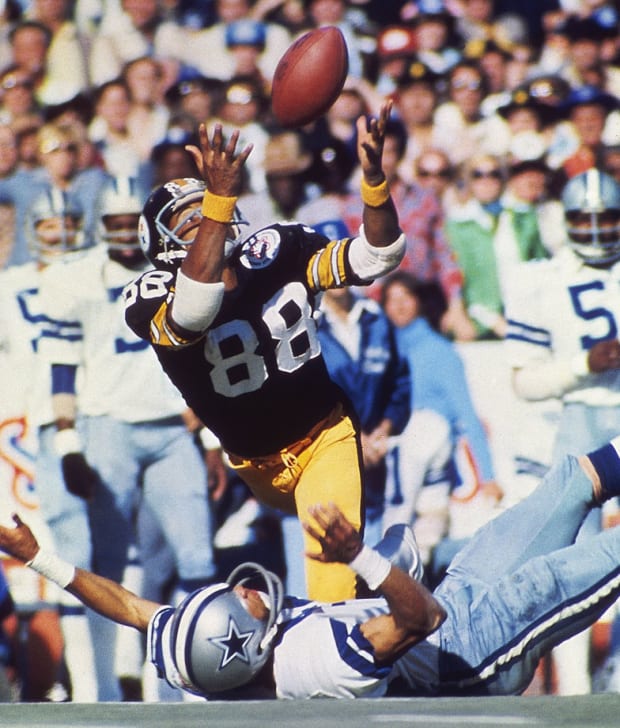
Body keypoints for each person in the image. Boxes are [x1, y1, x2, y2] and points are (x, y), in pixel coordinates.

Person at [4, 435, 620, 699]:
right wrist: (362, 558)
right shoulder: (316, 661)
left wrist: (41, 559)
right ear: (244, 644)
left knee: (570, 481)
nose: (242, 590)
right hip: (475, 651)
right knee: (606, 555)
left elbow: (131, 606)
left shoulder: (204, 656)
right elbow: (423, 617)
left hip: (457, 603)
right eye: (238, 603)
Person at [123, 102, 405, 602]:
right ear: (165, 246)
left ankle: (350, 638)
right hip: (253, 463)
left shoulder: (280, 250)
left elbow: (376, 256)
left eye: (212, 207)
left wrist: (375, 182)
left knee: (331, 579)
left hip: (325, 434)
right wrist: (217, 200)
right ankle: (392, 579)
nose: (214, 215)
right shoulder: (149, 296)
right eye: (192, 220)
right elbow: (193, 311)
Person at [37, 176, 220, 700]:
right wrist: (69, 442)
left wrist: (209, 439)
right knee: (106, 567)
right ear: (98, 227)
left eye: (127, 223)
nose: (119, 233)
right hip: (107, 426)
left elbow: (203, 360)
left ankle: (192, 684)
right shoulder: (75, 279)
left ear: (144, 226)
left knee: (197, 559)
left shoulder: (177, 271)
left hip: (170, 429)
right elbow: (63, 366)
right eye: (111, 223)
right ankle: (102, 694)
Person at [504, 168, 620, 695]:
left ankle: (614, 681)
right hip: (578, 419)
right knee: (573, 563)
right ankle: (572, 689)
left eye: (607, 218)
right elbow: (523, 380)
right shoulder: (540, 279)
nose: (596, 230)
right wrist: (581, 364)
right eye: (584, 219)